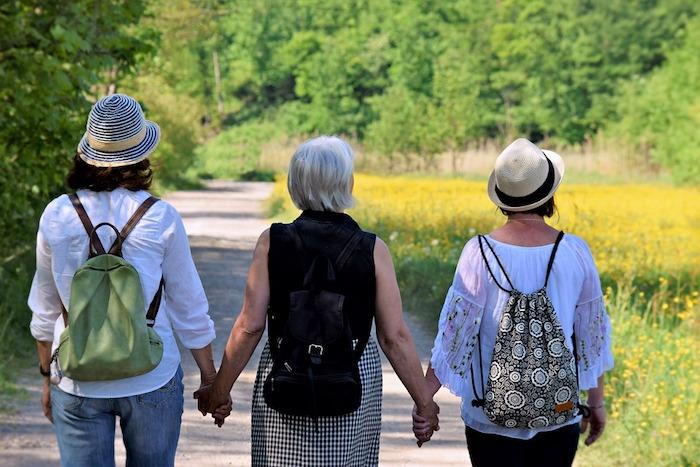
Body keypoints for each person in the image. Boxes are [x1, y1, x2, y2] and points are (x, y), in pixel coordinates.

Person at [195, 136, 440, 466]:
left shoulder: (272, 241)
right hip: (352, 372)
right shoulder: (373, 248)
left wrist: (220, 389)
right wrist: (424, 403)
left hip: (287, 367)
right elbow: (393, 337)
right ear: (347, 182)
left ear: (295, 183)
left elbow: (249, 327)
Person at [28, 93, 227, 467]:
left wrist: (46, 378)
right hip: (151, 373)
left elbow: (44, 307)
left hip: (77, 378)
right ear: (141, 154)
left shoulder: (57, 214)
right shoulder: (160, 217)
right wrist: (210, 378)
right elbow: (189, 307)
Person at [415, 138, 614, 466]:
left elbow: (454, 338)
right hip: (559, 412)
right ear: (550, 195)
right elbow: (591, 339)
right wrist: (596, 402)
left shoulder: (477, 252)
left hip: (488, 418)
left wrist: (424, 400)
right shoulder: (575, 251)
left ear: (502, 198)